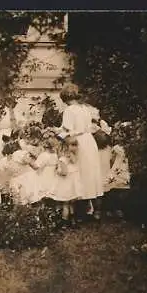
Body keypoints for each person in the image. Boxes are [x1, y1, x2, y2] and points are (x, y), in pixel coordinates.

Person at [59, 83, 104, 219]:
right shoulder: (84, 108)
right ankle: (96, 211)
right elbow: (89, 127)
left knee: (80, 174)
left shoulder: (69, 110)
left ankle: (80, 213)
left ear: (65, 98)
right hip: (89, 141)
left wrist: (58, 136)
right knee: (92, 174)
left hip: (78, 142)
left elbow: (67, 131)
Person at [51, 135, 83, 227]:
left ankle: (64, 223)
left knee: (65, 204)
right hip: (73, 184)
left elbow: (64, 172)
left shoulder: (63, 159)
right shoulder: (75, 158)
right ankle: (73, 221)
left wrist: (57, 171)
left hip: (66, 184)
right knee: (71, 204)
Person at [32, 129, 60, 204]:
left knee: (43, 197)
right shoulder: (55, 155)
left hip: (44, 178)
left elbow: (36, 167)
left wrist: (30, 162)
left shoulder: (43, 155)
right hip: (52, 178)